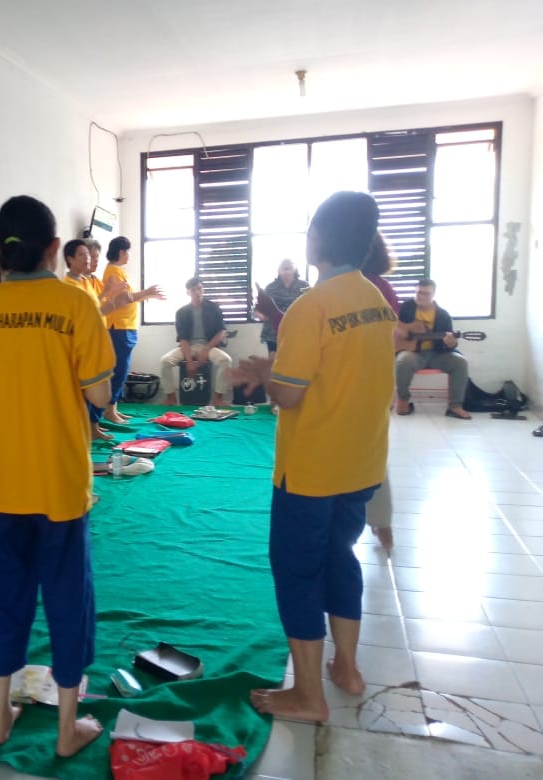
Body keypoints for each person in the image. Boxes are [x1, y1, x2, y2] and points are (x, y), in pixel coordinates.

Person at [232, 191, 396, 723]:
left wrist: (265, 374)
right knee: (341, 557)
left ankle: (308, 695)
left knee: (298, 571)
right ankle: (346, 668)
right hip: (361, 461)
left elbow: (290, 393)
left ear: (318, 239)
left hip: (311, 469)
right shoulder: (376, 300)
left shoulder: (312, 306)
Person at [0, 195, 115, 758]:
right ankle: (67, 729)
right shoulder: (75, 304)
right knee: (68, 598)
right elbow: (98, 393)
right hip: (58, 481)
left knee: (3, 597)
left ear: (1, 249)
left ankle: (0, 715)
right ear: (54, 247)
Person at [63, 239, 129, 440]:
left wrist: (112, 298)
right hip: (80, 345)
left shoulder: (85, 281)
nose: (88, 259)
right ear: (69, 259)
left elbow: (96, 308)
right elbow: (84, 316)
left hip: (94, 340)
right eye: (82, 255)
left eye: (89, 255)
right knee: (83, 392)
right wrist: (113, 300)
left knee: (95, 389)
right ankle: (81, 432)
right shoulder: (68, 285)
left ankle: (92, 428)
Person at [361, 233, 402, 550]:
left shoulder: (369, 288)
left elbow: (390, 337)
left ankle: (382, 522)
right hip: (374, 379)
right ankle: (381, 522)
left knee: (369, 453)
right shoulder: (380, 287)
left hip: (364, 380)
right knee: (371, 452)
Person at [101, 236, 164, 423]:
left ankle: (114, 408)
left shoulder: (120, 271)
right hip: (118, 327)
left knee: (123, 369)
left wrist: (148, 295)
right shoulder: (112, 271)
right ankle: (109, 410)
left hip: (126, 326)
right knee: (119, 369)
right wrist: (146, 292)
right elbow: (123, 299)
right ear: (121, 252)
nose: (129, 255)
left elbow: (131, 298)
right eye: (127, 251)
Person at [394, 279, 472, 419]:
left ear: (433, 294)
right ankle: (403, 401)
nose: (421, 296)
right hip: (413, 353)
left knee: (460, 362)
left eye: (426, 293)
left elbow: (449, 345)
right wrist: (400, 331)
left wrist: (451, 343)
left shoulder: (443, 315)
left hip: (437, 354)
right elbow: (392, 322)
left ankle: (455, 406)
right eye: (419, 292)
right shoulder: (406, 307)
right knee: (404, 360)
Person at [161, 277, 232, 406]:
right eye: (193, 290)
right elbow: (183, 338)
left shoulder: (213, 308)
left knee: (225, 360)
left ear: (203, 289)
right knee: (165, 361)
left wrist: (206, 349)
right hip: (188, 346)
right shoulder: (181, 312)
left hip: (208, 346)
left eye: (199, 288)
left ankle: (218, 398)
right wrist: (189, 361)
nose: (197, 292)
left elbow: (221, 331)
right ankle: (171, 398)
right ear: (188, 292)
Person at [259, 259, 309, 354]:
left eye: (289, 264)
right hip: (273, 334)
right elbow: (262, 309)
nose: (286, 265)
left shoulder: (304, 285)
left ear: (295, 269)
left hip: (297, 332)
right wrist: (262, 314)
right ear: (278, 270)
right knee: (275, 361)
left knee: (296, 360)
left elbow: (310, 308)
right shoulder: (270, 287)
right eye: (283, 265)